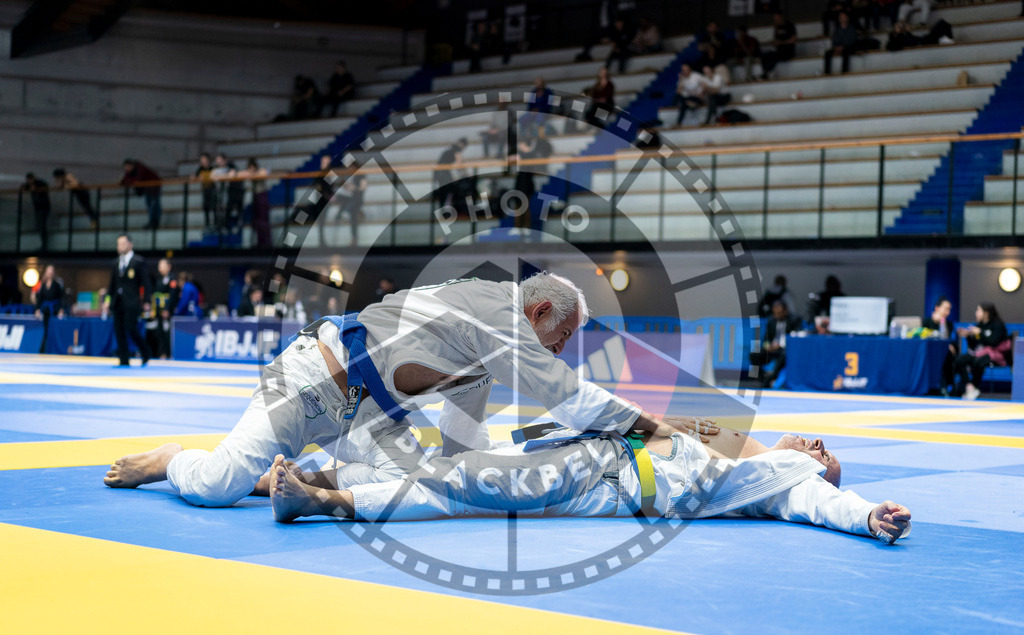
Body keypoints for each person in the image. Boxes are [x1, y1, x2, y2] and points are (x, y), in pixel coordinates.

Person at [104, 273, 677, 508]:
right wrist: (652, 428)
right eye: (562, 336)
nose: (560, 349)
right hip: (310, 379)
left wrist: (498, 480)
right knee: (213, 487)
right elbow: (568, 395)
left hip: (369, 414)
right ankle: (174, 460)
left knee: (414, 475)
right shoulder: (496, 310)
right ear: (542, 309)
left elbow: (458, 452)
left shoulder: (490, 358)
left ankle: (290, 482)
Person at [268, 421, 912, 548]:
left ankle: (323, 495)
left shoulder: (772, 478)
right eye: (817, 443)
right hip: (590, 460)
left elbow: (820, 501)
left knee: (463, 480)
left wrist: (864, 514)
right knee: (460, 487)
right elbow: (649, 418)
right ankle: (318, 485)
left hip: (616, 476)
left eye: (827, 455)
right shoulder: (732, 433)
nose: (818, 448)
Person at [103, 233, 152, 367]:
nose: (120, 246)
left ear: (130, 245)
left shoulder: (138, 261)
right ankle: (124, 359)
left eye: (123, 244)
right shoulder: (115, 263)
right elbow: (112, 285)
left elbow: (146, 283)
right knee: (118, 330)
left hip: (132, 301)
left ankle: (145, 351)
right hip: (117, 301)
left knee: (131, 328)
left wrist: (147, 301)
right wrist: (107, 300)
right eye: (119, 244)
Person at [952, 302, 1010, 400]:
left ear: (986, 313)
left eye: (978, 311)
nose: (976, 313)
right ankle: (969, 387)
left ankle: (974, 386)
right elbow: (974, 346)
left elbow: (994, 342)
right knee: (960, 360)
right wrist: (968, 336)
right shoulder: (979, 325)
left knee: (978, 362)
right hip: (979, 353)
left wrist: (981, 333)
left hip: (995, 355)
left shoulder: (998, 325)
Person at [750, 300, 802, 388]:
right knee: (754, 354)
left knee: (784, 355)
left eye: (779, 312)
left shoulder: (795, 320)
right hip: (772, 349)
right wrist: (767, 346)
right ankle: (761, 379)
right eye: (775, 313)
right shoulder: (772, 321)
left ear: (786, 311)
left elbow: (795, 336)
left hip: (785, 349)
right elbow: (766, 338)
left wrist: (780, 345)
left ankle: (772, 377)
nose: (776, 315)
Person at [922, 296, 955, 395]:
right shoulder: (926, 321)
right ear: (937, 308)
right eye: (945, 308)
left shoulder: (948, 324)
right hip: (928, 353)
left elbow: (946, 339)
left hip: (943, 354)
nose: (947, 312)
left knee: (947, 356)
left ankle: (945, 388)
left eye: (949, 309)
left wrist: (942, 324)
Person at [146, 258, 178, 359]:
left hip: (167, 311)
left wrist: (167, 309)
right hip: (158, 310)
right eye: (159, 266)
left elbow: (173, 295)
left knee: (166, 333)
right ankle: (161, 353)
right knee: (159, 332)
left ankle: (167, 353)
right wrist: (153, 309)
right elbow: (155, 295)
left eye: (162, 265)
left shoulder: (172, 279)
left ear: (168, 266)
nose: (160, 268)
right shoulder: (159, 280)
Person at [119, 159, 162, 231]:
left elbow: (137, 179)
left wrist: (129, 181)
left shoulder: (139, 168)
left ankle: (155, 222)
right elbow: (125, 180)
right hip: (147, 189)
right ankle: (152, 221)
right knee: (150, 204)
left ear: (132, 165)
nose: (127, 169)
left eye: (128, 167)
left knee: (154, 204)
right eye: (126, 168)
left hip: (154, 186)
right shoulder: (130, 172)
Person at [32, 265, 64, 353]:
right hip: (45, 310)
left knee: (53, 329)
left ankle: (53, 349)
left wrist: (61, 309)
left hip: (54, 310)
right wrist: (37, 309)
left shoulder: (57, 285)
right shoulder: (43, 285)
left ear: (53, 273)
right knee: (45, 330)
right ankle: (44, 349)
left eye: (51, 272)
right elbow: (40, 299)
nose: (50, 274)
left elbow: (61, 298)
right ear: (46, 273)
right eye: (48, 272)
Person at [240, 158, 271, 248]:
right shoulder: (249, 172)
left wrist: (253, 174)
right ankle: (258, 242)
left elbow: (266, 172)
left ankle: (266, 242)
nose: (251, 170)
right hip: (255, 197)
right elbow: (240, 174)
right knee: (256, 221)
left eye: (252, 167)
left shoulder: (261, 171)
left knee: (263, 220)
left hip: (262, 196)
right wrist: (249, 173)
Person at [433, 138, 469, 209]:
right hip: (443, 172)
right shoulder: (457, 149)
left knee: (443, 191)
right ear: (462, 145)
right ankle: (447, 208)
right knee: (450, 189)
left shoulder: (451, 148)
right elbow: (460, 163)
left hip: (439, 172)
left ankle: (443, 209)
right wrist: (467, 173)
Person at [761, 13, 797, 79]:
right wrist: (774, 43)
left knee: (772, 57)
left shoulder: (789, 25)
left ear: (781, 17)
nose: (776, 21)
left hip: (788, 51)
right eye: (775, 19)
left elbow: (793, 40)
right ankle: (766, 72)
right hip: (779, 51)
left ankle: (769, 72)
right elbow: (776, 40)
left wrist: (781, 42)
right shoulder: (777, 28)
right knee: (765, 55)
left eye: (777, 19)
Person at [21, 173, 51, 251]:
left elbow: (46, 188)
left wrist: (36, 189)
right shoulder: (29, 185)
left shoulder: (40, 183)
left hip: (44, 207)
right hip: (38, 208)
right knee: (40, 224)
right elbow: (23, 188)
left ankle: (44, 245)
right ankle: (43, 244)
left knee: (42, 225)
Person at [192, 153, 218, 233]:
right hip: (205, 190)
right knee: (206, 208)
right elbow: (194, 177)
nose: (203, 162)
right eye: (201, 161)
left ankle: (215, 225)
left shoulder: (213, 168)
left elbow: (217, 177)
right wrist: (197, 178)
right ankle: (207, 225)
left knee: (214, 208)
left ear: (208, 161)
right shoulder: (200, 169)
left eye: (204, 160)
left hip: (212, 190)